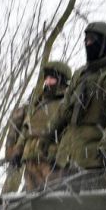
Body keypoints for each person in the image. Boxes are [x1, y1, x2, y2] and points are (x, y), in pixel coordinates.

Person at [47, 22, 106, 192]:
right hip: (64, 160)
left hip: (93, 163)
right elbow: (63, 112)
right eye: (85, 40)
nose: (87, 44)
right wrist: (48, 139)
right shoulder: (80, 74)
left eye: (92, 40)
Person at [19, 60, 71, 192]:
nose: (47, 82)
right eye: (46, 78)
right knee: (28, 200)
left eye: (52, 78)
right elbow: (26, 131)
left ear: (62, 80)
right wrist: (19, 152)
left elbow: (70, 133)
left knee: (52, 199)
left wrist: (61, 156)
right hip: (30, 158)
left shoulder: (66, 102)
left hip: (51, 159)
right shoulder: (37, 102)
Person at [1, 104, 27, 194]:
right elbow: (12, 133)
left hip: (28, 151)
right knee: (12, 184)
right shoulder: (25, 110)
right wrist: (10, 153)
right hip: (18, 152)